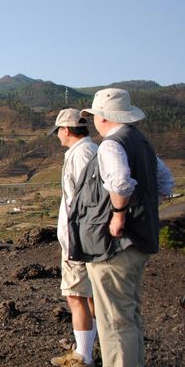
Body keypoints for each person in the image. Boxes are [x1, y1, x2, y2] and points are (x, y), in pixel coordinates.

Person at [77, 88, 174, 366]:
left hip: (115, 246)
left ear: (104, 117)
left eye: (95, 116)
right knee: (130, 315)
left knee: (114, 323)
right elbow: (165, 183)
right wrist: (143, 211)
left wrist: (119, 215)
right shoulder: (141, 143)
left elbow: (119, 182)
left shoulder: (111, 144)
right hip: (140, 242)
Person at [49, 109, 98, 367]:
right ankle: (88, 349)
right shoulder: (92, 151)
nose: (57, 136)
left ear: (66, 130)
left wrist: (75, 240)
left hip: (78, 240)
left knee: (75, 296)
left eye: (58, 130)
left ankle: (83, 356)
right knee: (89, 295)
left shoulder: (80, 155)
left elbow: (83, 201)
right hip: (88, 239)